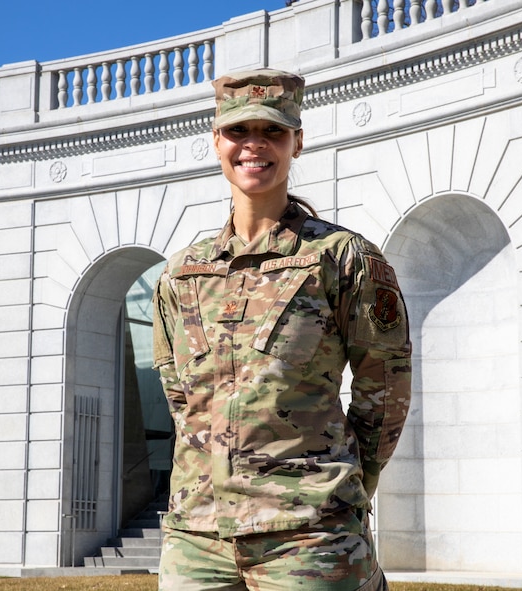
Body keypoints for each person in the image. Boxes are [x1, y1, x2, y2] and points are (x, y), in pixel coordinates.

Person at [152, 68, 412, 591]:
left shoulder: (342, 258)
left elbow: (383, 389)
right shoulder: (182, 273)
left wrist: (343, 489)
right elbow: (181, 398)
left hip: (310, 537)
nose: (254, 146)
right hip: (197, 538)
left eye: (272, 132)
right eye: (238, 132)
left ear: (297, 142)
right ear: (215, 140)